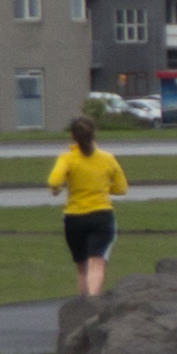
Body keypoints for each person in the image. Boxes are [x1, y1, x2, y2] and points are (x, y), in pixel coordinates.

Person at [46, 114, 127, 297]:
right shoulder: (107, 158)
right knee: (96, 263)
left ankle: (82, 305)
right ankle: (94, 300)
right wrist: (101, 188)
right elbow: (122, 188)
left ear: (73, 137)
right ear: (94, 135)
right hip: (101, 215)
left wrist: (57, 189)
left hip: (74, 218)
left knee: (81, 266)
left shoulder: (67, 158)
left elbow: (54, 181)